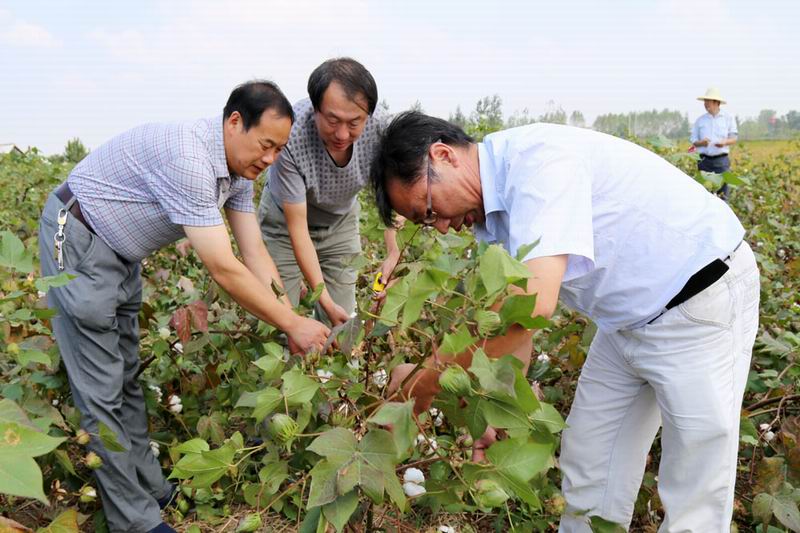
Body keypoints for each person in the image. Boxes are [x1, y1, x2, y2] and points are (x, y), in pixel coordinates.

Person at [370, 112, 759, 532]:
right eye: (428, 224)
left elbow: (532, 306)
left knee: (695, 486)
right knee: (591, 457)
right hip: (625, 322)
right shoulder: (494, 212)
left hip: (699, 302)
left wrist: (424, 383)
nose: (443, 227)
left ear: (443, 156)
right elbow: (519, 327)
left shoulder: (537, 163)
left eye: (430, 211)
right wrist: (491, 407)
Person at [38, 81, 330, 533]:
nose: (271, 159)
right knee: (101, 390)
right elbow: (224, 267)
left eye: (279, 149)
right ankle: (135, 522)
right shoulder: (189, 159)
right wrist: (292, 324)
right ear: (235, 122)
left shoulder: (237, 172)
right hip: (77, 238)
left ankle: (151, 488)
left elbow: (254, 253)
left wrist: (292, 319)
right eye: (265, 145)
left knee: (125, 376)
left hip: (120, 253)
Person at [257, 58, 399, 326]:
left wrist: (393, 252)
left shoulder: (382, 129)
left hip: (340, 223)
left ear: (368, 115)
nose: (342, 134)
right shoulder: (291, 136)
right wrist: (323, 299)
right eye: (333, 121)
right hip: (284, 226)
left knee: (340, 322)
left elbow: (394, 193)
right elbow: (298, 229)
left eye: (354, 123)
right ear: (315, 109)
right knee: (278, 316)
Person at [691, 87, 738, 201]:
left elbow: (734, 138)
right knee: (705, 195)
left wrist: (724, 142)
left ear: (717, 102)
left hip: (721, 162)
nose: (706, 104)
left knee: (723, 195)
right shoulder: (700, 120)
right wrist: (701, 143)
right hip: (704, 162)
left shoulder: (728, 118)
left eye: (708, 101)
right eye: (705, 101)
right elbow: (693, 140)